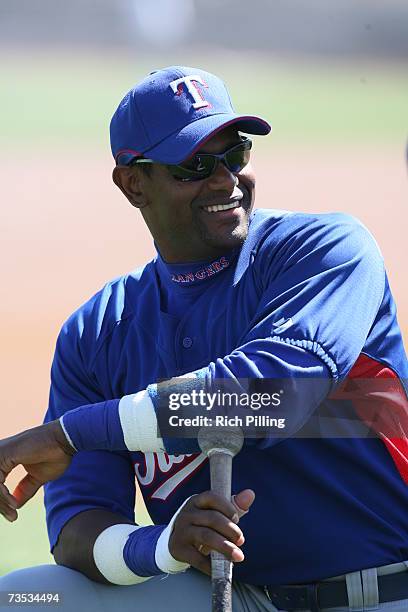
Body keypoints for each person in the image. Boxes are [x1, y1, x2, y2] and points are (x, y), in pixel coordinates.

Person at [0, 65, 407, 612]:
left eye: (234, 154)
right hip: (229, 598)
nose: (224, 180)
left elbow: (269, 399)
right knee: (28, 598)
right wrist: (160, 546)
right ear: (132, 183)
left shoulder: (324, 252)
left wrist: (71, 434)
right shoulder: (97, 332)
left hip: (379, 591)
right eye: (194, 165)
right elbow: (78, 527)